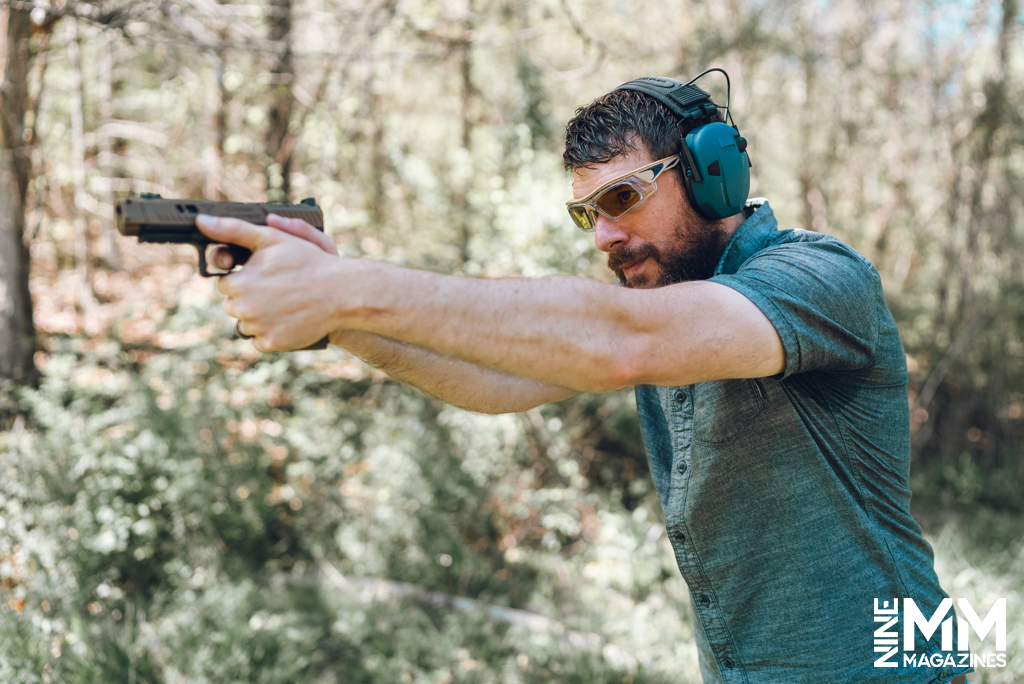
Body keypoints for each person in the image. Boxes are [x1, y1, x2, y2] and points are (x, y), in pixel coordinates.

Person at [195, 75, 970, 684]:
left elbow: (617, 342)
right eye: (587, 213)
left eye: (623, 198)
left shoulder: (819, 278)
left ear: (712, 176)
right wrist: (341, 317)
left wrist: (348, 287)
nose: (604, 235)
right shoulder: (665, 302)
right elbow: (496, 381)